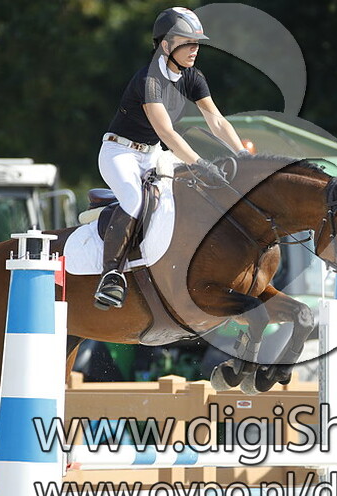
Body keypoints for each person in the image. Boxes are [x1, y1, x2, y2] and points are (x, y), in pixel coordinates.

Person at [94, 7, 248, 310]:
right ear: (166, 45)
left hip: (152, 154)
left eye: (197, 43)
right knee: (134, 200)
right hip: (119, 153)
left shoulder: (193, 77)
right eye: (187, 43)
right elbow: (166, 132)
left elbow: (216, 121)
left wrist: (242, 154)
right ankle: (111, 276)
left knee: (195, 191)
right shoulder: (148, 80)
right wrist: (200, 164)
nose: (195, 49)